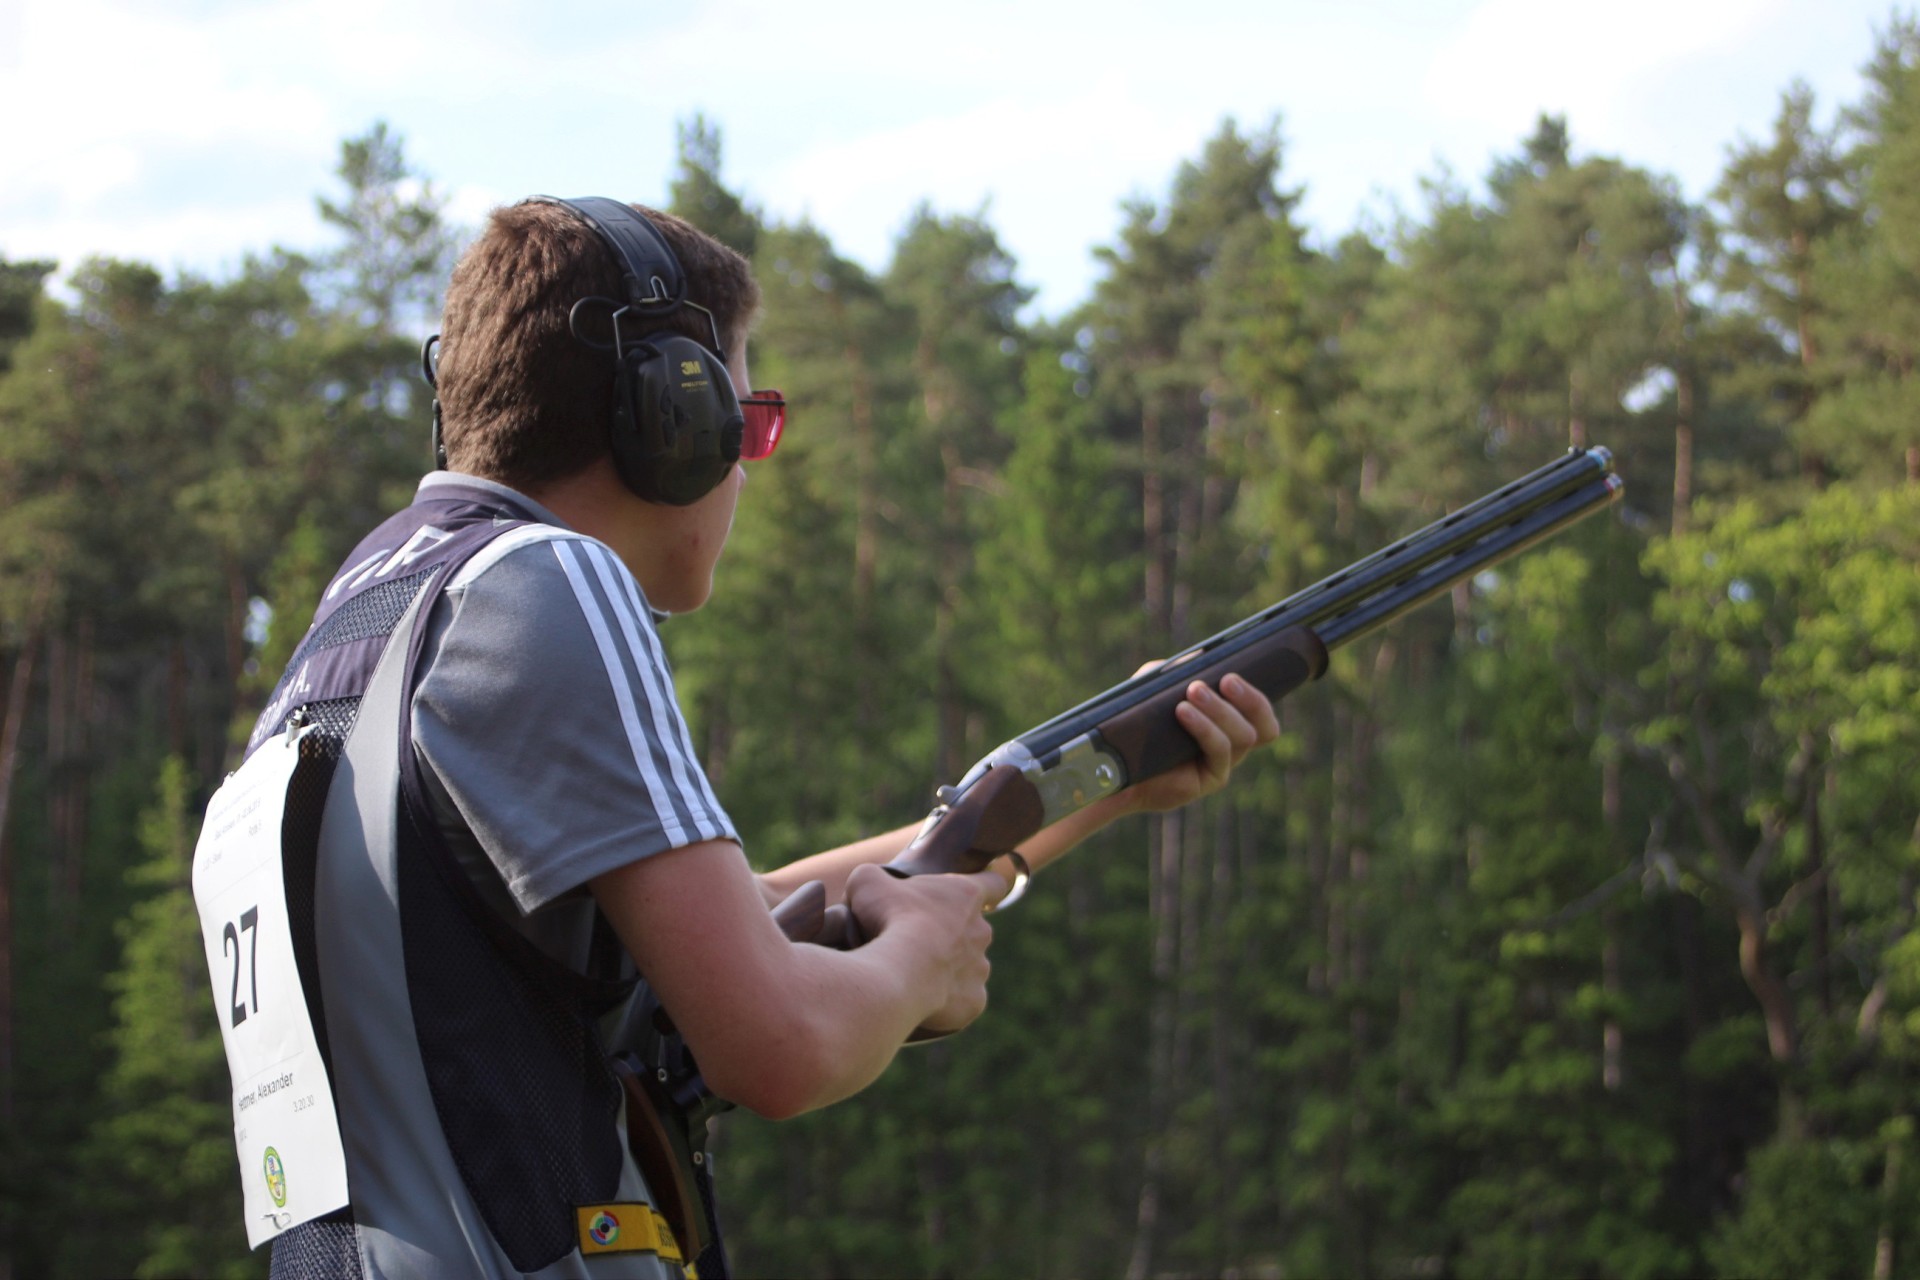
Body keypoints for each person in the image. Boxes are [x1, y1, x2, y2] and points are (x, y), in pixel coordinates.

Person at [236, 197, 1279, 1279]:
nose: (745, 466)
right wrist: (918, 964)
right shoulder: (549, 580)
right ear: (670, 418)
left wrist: (1106, 781)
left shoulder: (368, 614)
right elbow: (781, 1044)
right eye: (748, 422)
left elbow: (726, 914)